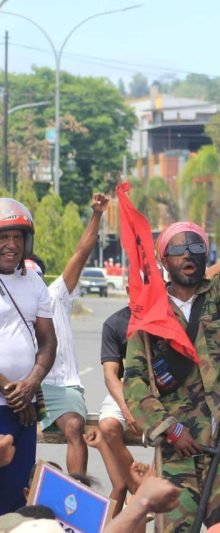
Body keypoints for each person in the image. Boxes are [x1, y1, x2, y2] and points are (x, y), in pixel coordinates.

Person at [124, 177, 220, 531]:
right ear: (164, 260)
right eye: (178, 249)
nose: (188, 255)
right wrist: (169, 429)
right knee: (176, 525)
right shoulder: (148, 315)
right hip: (179, 446)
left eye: (196, 248)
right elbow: (136, 383)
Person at [37, 193, 109, 476]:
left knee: (75, 426)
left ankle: (77, 493)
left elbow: (80, 254)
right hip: (17, 386)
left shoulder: (54, 294)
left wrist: (97, 215)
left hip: (59, 385)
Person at [0, 198, 57, 514]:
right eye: (4, 238)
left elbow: (48, 341)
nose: (12, 245)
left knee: (18, 490)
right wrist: (13, 392)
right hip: (9, 403)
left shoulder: (34, 281)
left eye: (18, 237)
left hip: (24, 406)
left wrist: (32, 384)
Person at [95, 298, 136, 516]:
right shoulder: (115, 323)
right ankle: (138, 487)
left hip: (166, 393)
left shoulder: (169, 316)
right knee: (108, 425)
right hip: (125, 391)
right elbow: (110, 374)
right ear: (130, 289)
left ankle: (139, 492)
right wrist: (128, 410)